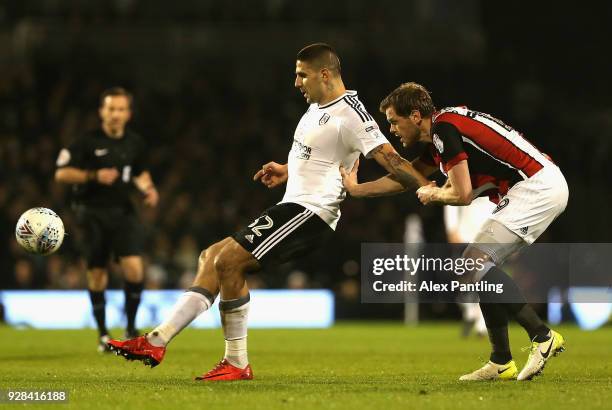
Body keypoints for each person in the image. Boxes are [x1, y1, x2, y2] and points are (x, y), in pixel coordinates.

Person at [106, 43, 429, 381]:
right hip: (293, 205)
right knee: (211, 255)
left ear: (324, 74)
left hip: (311, 212)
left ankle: (234, 362)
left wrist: (428, 187)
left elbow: (391, 159)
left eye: (301, 75)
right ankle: (157, 340)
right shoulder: (319, 107)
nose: (296, 83)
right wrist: (287, 169)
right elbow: (320, 156)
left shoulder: (351, 114)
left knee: (228, 262)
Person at [341, 82, 568, 381]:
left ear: (415, 115)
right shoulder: (441, 135)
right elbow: (404, 177)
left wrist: (433, 194)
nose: (393, 130)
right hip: (533, 185)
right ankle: (501, 360)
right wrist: (356, 190)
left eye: (394, 122)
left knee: (474, 262)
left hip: (536, 186)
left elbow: (461, 194)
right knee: (477, 266)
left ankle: (542, 336)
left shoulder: (443, 129)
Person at [55, 87, 159, 352]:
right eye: (111, 109)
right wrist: (93, 176)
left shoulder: (135, 143)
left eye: (121, 109)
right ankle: (102, 334)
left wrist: (148, 188)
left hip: (123, 212)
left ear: (128, 114)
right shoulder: (85, 142)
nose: (115, 114)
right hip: (91, 214)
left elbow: (139, 173)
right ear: (102, 111)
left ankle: (131, 329)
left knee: (135, 269)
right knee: (97, 274)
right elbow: (62, 174)